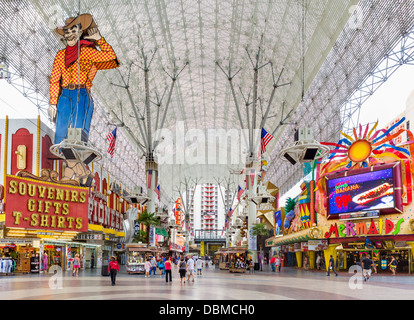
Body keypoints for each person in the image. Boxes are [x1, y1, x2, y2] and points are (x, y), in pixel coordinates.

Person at [48, 13, 120, 144]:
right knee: (60, 132)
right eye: (66, 31)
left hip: (80, 94)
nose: (69, 34)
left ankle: (76, 158)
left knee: (77, 133)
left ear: (80, 32)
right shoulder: (60, 55)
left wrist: (99, 39)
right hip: (64, 95)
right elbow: (54, 79)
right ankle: (64, 158)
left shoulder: (86, 52)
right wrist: (53, 102)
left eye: (73, 30)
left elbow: (111, 56)